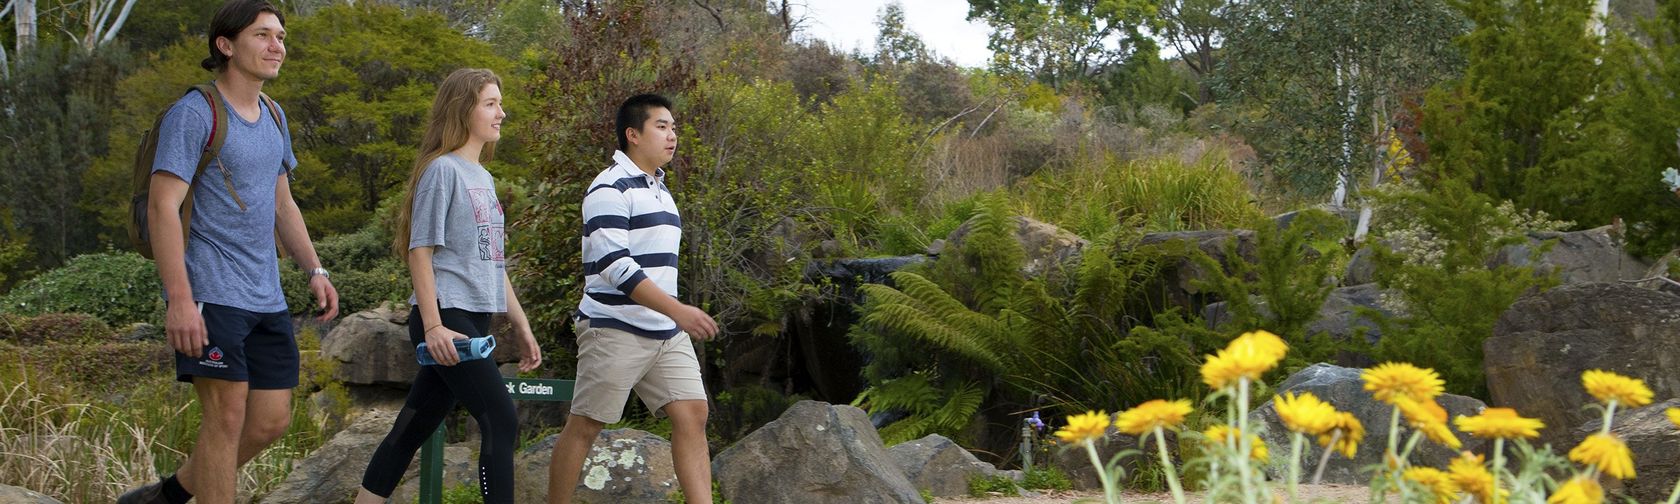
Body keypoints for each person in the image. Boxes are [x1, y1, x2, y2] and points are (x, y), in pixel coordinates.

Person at [118, 1, 340, 503]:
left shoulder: (275, 117)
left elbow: (283, 203)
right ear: (226, 45)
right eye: (263, 35)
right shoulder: (194, 113)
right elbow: (163, 207)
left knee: (270, 421)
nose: (276, 46)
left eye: (280, 37)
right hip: (209, 292)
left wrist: (315, 269)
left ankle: (169, 495)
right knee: (227, 416)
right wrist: (179, 298)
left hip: (265, 294)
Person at [353, 67, 542, 504]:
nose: (501, 113)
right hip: (447, 317)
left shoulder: (485, 178)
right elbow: (420, 251)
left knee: (412, 427)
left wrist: (522, 324)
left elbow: (494, 261)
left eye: (500, 103)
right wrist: (435, 326)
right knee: (500, 418)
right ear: (464, 109)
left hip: (474, 318)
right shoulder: (443, 171)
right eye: (490, 104)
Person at [547, 94, 720, 504]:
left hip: (665, 331)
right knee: (586, 424)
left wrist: (673, 317)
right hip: (614, 327)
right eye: (661, 126)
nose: (672, 135)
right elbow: (613, 264)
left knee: (693, 414)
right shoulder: (608, 187)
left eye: (673, 127)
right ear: (632, 134)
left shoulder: (662, 191)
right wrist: (678, 309)